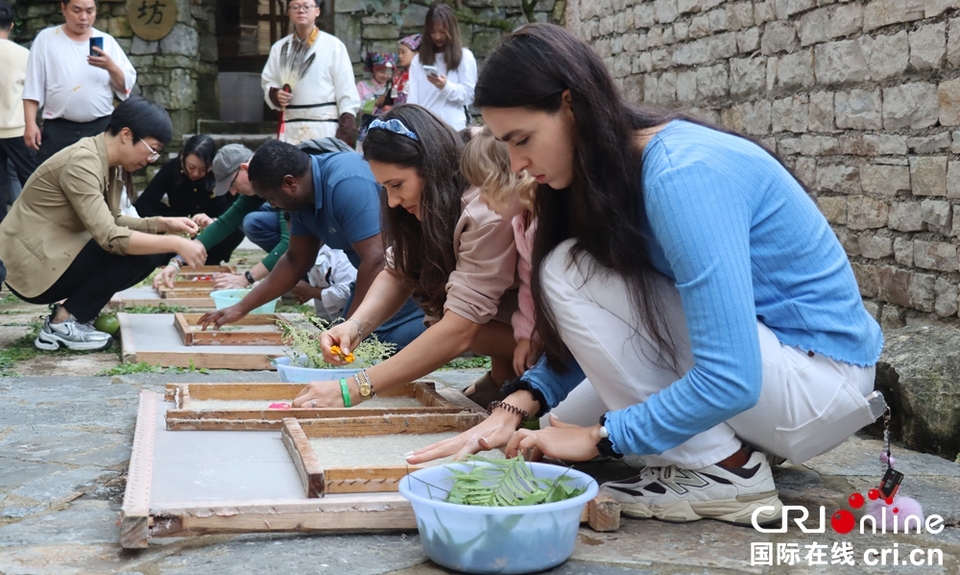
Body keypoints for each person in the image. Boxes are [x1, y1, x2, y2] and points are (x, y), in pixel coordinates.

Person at [407, 24, 885, 528]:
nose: (518, 164)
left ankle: (728, 472)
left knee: (568, 274)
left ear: (571, 106)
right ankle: (725, 445)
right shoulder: (613, 170)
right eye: (505, 144)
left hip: (816, 385)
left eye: (523, 140)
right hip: (774, 374)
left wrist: (602, 438)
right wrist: (517, 404)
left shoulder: (680, 175)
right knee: (559, 422)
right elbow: (610, 327)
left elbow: (731, 377)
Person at [289, 105, 520, 411]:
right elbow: (399, 269)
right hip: (516, 325)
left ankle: (521, 380)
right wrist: (355, 326)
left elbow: (460, 330)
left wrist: (354, 388)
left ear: (431, 166)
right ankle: (504, 378)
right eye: (385, 189)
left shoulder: (484, 207)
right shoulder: (435, 197)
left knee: (445, 321)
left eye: (397, 185)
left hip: (547, 338)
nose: (394, 201)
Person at [0, 96, 205, 351]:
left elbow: (113, 219)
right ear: (127, 135)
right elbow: (109, 235)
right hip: (31, 264)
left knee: (149, 248)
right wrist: (174, 242)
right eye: (152, 149)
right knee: (141, 252)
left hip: (53, 250)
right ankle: (64, 323)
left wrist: (162, 224)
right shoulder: (83, 162)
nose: (151, 158)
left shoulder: (104, 160)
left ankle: (73, 316)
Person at [198, 140, 425, 351]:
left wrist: (350, 328)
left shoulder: (344, 182)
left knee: (371, 344)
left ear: (289, 183)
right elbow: (296, 260)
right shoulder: (303, 199)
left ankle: (439, 322)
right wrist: (241, 307)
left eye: (271, 198)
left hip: (412, 280)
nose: (273, 206)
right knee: (342, 336)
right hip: (378, 279)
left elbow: (376, 260)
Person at [153, 144, 287, 289]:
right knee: (249, 220)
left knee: (253, 221)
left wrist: (246, 278)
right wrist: (177, 262)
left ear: (244, 169)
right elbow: (224, 224)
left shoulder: (277, 178)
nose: (234, 192)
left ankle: (298, 272)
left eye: (233, 184)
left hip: (310, 235)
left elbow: (288, 242)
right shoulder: (255, 186)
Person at [23, 0, 136, 165]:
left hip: (100, 127)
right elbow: (33, 85)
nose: (83, 17)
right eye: (77, 10)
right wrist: (30, 123)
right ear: (63, 8)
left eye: (90, 11)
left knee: (98, 181)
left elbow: (124, 87)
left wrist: (110, 66)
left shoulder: (106, 41)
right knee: (55, 182)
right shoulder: (46, 39)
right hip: (58, 127)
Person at [260, 0, 360, 147]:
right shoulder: (280, 48)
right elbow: (269, 82)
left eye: (306, 6)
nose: (301, 10)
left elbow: (346, 88)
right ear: (289, 12)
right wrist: (276, 94)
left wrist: (346, 125)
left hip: (325, 127)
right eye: (295, 7)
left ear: (317, 11)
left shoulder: (334, 46)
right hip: (291, 128)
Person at [134, 135, 243, 265]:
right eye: (191, 167)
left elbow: (236, 207)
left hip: (212, 229)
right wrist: (167, 222)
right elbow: (144, 203)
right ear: (182, 158)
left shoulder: (221, 173)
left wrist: (214, 221)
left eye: (203, 169)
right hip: (178, 229)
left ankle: (211, 260)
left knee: (241, 226)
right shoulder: (171, 169)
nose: (196, 174)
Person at [407, 3, 476, 131]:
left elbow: (469, 95)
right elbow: (412, 100)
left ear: (451, 30)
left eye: (442, 32)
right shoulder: (418, 61)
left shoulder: (464, 56)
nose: (437, 37)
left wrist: (445, 86)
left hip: (455, 129)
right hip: (426, 130)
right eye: (433, 32)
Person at [0, 0, 38, 222]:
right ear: (12, 25)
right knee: (33, 183)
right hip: (18, 129)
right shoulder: (24, 54)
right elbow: (35, 92)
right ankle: (33, 228)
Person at [356, 52, 396, 144]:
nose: (386, 76)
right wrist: (375, 102)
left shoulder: (393, 87)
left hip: (387, 128)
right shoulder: (362, 85)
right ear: (374, 70)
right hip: (367, 127)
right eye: (382, 72)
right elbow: (357, 105)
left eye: (389, 73)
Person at [393, 34, 421, 108]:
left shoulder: (421, 76)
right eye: (399, 53)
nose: (400, 56)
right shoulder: (398, 76)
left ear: (416, 53)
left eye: (403, 52)